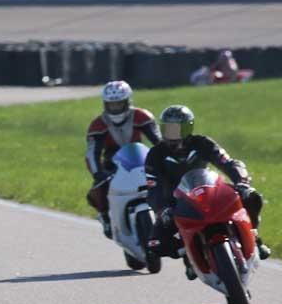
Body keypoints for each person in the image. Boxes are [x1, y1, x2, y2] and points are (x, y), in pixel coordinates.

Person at [145, 105, 271, 278]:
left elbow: (227, 162)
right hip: (176, 201)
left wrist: (241, 182)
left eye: (176, 128)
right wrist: (162, 209)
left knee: (252, 197)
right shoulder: (155, 153)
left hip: (209, 191)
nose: (171, 133)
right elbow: (153, 187)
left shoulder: (202, 143)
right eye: (167, 128)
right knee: (155, 244)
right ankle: (188, 254)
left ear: (187, 127)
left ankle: (254, 236)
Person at [85, 81, 162, 238]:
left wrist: (164, 160)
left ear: (128, 102)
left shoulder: (142, 116)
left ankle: (168, 210)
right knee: (98, 187)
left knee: (165, 178)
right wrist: (98, 173)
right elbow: (92, 152)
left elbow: (158, 141)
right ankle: (104, 216)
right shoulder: (98, 124)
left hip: (140, 157)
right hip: (113, 162)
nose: (116, 108)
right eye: (112, 105)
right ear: (105, 104)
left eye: (119, 104)